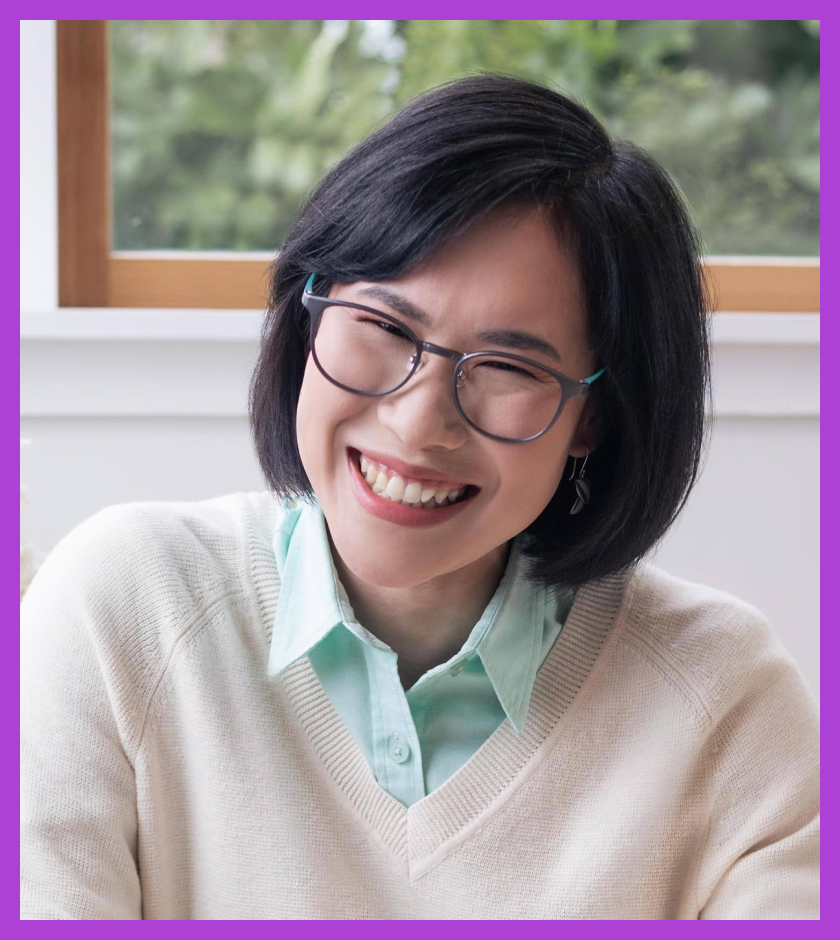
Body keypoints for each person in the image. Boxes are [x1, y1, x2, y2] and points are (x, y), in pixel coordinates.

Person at [20, 75, 819, 920]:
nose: (419, 422)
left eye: (510, 368)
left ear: (595, 418)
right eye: (385, 328)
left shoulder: (725, 703)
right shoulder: (120, 608)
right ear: (308, 314)